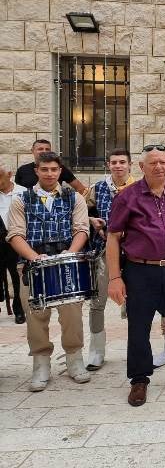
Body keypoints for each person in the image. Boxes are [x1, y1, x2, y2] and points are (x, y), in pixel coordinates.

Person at [107, 145, 165, 406]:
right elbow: (113, 238)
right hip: (140, 271)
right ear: (141, 167)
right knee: (139, 327)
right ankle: (139, 379)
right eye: (153, 162)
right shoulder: (127, 197)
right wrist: (115, 278)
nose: (158, 167)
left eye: (163, 162)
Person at [5, 152, 91, 391]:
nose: (50, 174)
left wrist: (70, 252)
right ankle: (41, 364)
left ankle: (74, 359)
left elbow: (82, 229)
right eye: (45, 169)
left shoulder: (74, 198)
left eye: (54, 169)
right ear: (36, 170)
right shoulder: (22, 200)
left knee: (72, 314)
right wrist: (34, 257)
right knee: (35, 315)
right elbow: (15, 234)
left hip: (66, 263)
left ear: (60, 170)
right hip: (32, 265)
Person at [85, 149, 136, 370]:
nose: (118, 166)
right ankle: (96, 351)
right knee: (98, 302)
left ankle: (137, 350)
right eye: (114, 162)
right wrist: (92, 220)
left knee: (136, 304)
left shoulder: (139, 188)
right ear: (108, 165)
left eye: (122, 162)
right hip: (104, 252)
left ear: (130, 165)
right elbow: (79, 213)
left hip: (134, 253)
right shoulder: (97, 188)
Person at [0, 162, 26, 324]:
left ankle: (19, 309)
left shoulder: (23, 192)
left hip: (17, 241)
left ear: (9, 175)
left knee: (17, 277)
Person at [14, 139, 87, 195]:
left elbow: (80, 188)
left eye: (47, 149)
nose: (44, 151)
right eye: (40, 149)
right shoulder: (22, 170)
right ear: (32, 151)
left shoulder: (59, 168)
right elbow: (16, 192)